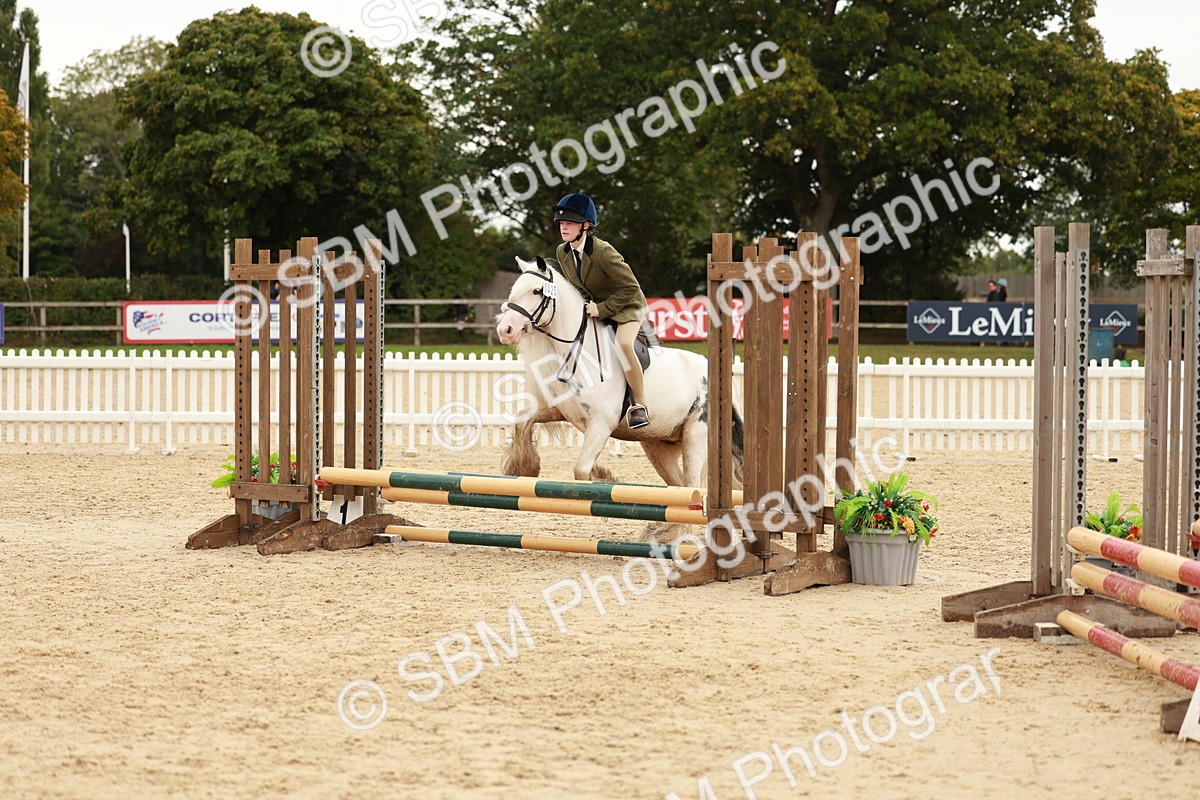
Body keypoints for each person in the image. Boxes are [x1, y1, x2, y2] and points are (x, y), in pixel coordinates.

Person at [551, 192, 651, 429]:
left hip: (627, 307)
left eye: (571, 223)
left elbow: (631, 288)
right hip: (595, 307)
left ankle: (640, 405)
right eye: (562, 223)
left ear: (586, 226)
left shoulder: (604, 252)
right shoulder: (562, 252)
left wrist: (603, 309)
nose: (564, 228)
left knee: (624, 345)